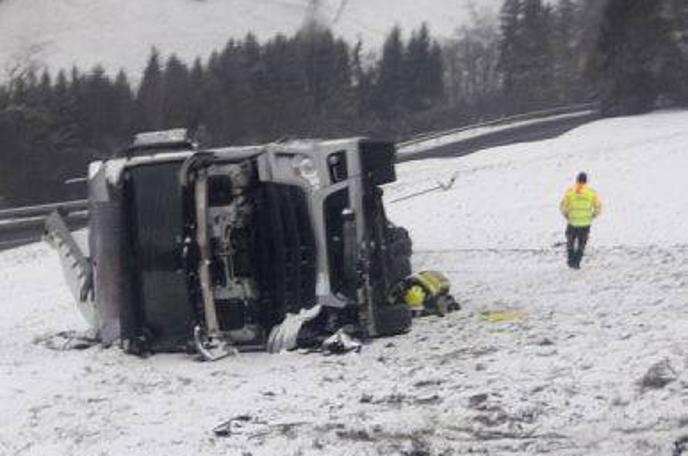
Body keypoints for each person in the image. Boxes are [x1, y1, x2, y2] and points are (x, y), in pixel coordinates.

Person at [560, 172, 602, 269]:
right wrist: (592, 216)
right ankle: (577, 262)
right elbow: (598, 207)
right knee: (582, 243)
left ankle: (571, 261)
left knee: (570, 241)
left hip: (572, 222)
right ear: (586, 181)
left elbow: (563, 206)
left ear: (577, 180)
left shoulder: (570, 191)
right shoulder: (591, 192)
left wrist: (567, 215)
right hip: (585, 223)